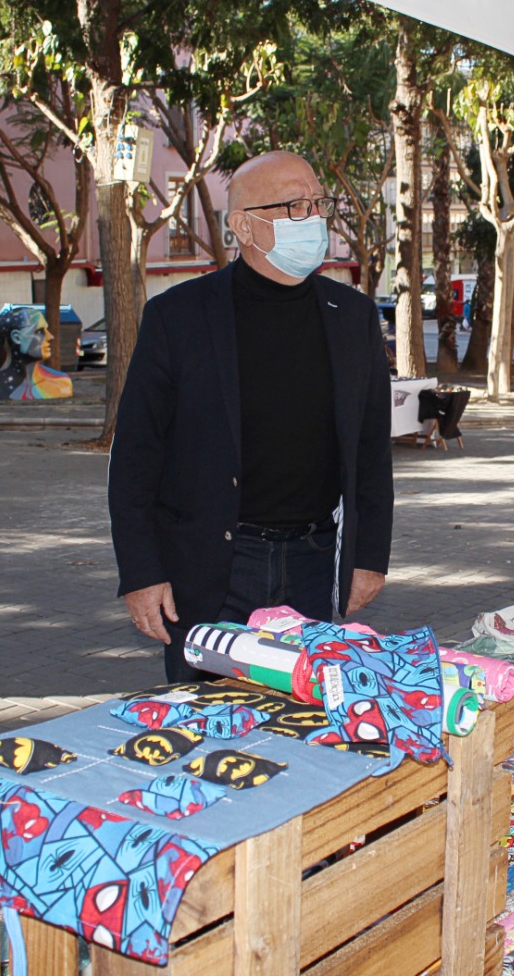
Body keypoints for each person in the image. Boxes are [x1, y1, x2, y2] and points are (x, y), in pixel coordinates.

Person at [109, 150, 394, 681]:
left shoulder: (352, 317)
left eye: (317, 203)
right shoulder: (178, 317)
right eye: (293, 205)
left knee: (303, 724)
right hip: (212, 564)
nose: (313, 218)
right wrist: (142, 573)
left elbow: (371, 451)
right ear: (243, 225)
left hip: (313, 559)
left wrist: (368, 557)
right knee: (208, 727)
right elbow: (135, 457)